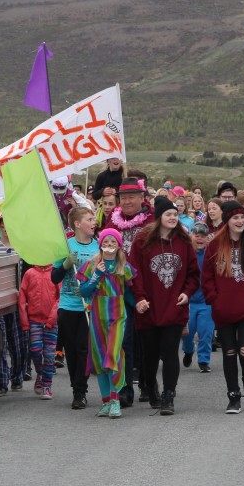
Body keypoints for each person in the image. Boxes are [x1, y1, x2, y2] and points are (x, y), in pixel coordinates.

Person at [129, 196, 200, 415]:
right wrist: (139, 298)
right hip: (148, 307)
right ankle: (151, 387)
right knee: (149, 356)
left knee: (170, 353)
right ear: (158, 217)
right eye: (168, 214)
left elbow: (193, 274)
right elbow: (134, 273)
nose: (172, 218)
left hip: (174, 307)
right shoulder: (141, 241)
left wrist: (187, 294)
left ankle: (169, 394)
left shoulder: (184, 242)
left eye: (175, 215)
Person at [202, 200, 244, 414]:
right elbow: (207, 276)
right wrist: (215, 299)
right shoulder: (215, 245)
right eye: (235, 218)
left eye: (243, 217)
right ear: (227, 221)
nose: (240, 221)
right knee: (229, 353)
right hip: (224, 309)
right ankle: (233, 396)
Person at [105, 177, 154, 407]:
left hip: (146, 288)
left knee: (146, 340)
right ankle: (125, 389)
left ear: (142, 198)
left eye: (132, 197)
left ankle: (147, 383)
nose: (127, 201)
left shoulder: (152, 221)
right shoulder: (111, 221)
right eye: (123, 197)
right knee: (123, 341)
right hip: (119, 290)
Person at [77, 228, 136, 418]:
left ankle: (115, 400)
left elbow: (130, 293)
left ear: (118, 246)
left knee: (114, 357)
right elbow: (84, 292)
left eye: (113, 242)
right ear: (101, 244)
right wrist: (96, 276)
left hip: (118, 316)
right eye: (106, 241)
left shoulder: (124, 267)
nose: (109, 245)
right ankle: (105, 402)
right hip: (97, 317)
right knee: (100, 360)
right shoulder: (91, 264)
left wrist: (140, 305)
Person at [51, 206, 99, 409]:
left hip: (89, 307)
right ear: (78, 224)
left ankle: (81, 392)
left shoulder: (98, 247)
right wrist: (64, 264)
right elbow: (54, 278)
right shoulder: (66, 246)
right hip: (68, 306)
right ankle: (75, 387)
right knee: (71, 351)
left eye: (94, 219)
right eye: (89, 219)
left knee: (83, 350)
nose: (94, 222)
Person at [0, 214, 29, 393]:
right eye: (2, 224)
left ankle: (17, 375)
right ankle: (2, 382)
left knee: (18, 343)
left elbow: (28, 273)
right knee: (1, 341)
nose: (5, 227)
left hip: (18, 301)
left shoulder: (23, 248)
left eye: (8, 223)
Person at [18, 264, 60, 399]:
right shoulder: (30, 273)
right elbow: (22, 297)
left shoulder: (55, 273)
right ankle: (40, 373)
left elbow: (60, 297)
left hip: (51, 322)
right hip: (34, 320)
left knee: (49, 354)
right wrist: (25, 322)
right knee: (35, 350)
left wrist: (52, 318)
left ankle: (47, 385)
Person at [182, 221, 215, 373]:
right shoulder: (185, 254)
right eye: (197, 235)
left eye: (203, 236)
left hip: (206, 302)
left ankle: (203, 360)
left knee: (206, 333)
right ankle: (188, 351)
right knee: (187, 334)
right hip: (188, 302)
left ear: (208, 238)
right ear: (191, 236)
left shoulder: (212, 255)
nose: (200, 239)